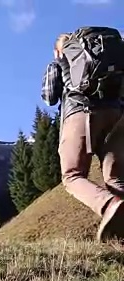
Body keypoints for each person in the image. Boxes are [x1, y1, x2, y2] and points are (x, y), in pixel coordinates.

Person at [41, 30, 124, 241]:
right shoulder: (106, 60)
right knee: (115, 177)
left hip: (81, 115)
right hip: (117, 116)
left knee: (72, 175)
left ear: (59, 49)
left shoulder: (58, 62)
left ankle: (109, 204)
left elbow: (50, 97)